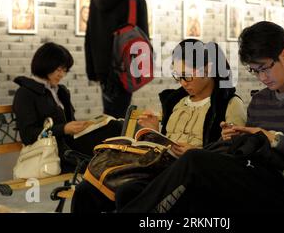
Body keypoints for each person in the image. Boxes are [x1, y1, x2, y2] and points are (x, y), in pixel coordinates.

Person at [118, 21, 284, 213]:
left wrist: (274, 138)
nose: (261, 77)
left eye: (264, 68)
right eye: (254, 71)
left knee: (194, 161)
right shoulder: (261, 100)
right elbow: (252, 148)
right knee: (132, 190)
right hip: (250, 174)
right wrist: (235, 139)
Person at [72, 39, 246, 213]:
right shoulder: (176, 102)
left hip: (190, 177)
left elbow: (230, 159)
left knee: (129, 191)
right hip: (158, 168)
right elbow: (167, 141)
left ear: (207, 70)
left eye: (187, 76)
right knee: (86, 191)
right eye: (177, 76)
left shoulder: (228, 104)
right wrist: (154, 132)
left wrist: (196, 152)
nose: (182, 83)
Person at [12, 42, 122, 172]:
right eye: (58, 70)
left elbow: (68, 124)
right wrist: (63, 129)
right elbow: (28, 135)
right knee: (109, 152)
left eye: (64, 70)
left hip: (70, 143)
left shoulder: (59, 91)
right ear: (45, 65)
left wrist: (82, 126)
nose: (62, 75)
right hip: (54, 151)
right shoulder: (26, 93)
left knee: (115, 126)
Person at [85, 0, 148, 118]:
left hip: (103, 68)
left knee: (110, 114)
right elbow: (143, 37)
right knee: (120, 117)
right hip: (125, 65)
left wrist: (93, 70)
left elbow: (89, 35)